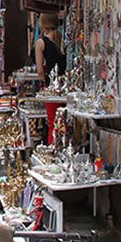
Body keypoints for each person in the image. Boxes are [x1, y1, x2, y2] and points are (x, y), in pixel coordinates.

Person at [34, 13, 67, 144]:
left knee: (54, 122)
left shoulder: (41, 43)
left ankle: (53, 150)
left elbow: (40, 69)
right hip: (66, 86)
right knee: (66, 123)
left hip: (52, 87)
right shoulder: (62, 39)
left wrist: (44, 80)